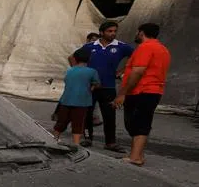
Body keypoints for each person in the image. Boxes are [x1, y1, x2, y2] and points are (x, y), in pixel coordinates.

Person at [115, 23, 171, 166]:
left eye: (137, 32)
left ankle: (135, 157)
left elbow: (138, 71)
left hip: (141, 91)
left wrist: (123, 93)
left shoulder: (145, 47)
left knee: (137, 123)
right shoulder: (163, 49)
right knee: (140, 122)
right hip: (152, 91)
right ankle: (137, 154)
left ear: (141, 33)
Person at [71, 21, 133, 149]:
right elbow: (72, 57)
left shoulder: (121, 46)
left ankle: (110, 142)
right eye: (109, 31)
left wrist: (122, 70)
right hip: (90, 87)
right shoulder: (90, 46)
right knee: (87, 114)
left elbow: (135, 57)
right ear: (101, 32)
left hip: (108, 87)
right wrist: (79, 72)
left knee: (109, 115)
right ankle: (87, 139)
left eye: (115, 31)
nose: (113, 34)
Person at [53, 47, 99, 146]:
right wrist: (91, 87)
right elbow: (97, 84)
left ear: (75, 59)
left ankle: (54, 139)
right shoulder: (92, 71)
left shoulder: (70, 70)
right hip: (82, 102)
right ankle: (76, 144)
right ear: (89, 59)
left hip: (66, 100)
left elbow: (66, 82)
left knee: (61, 122)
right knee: (78, 123)